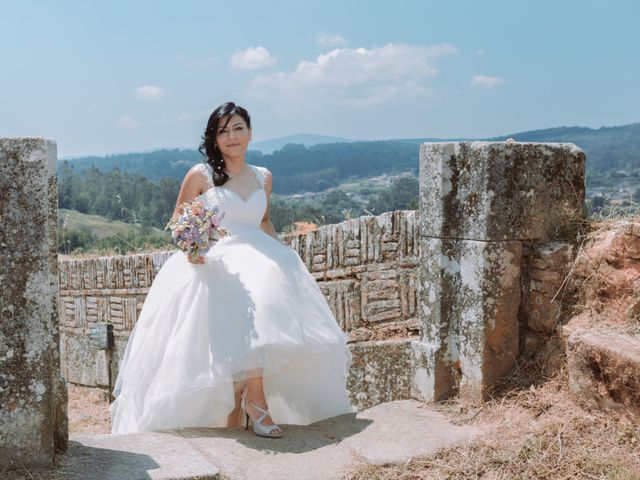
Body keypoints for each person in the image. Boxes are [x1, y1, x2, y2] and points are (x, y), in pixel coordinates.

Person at [109, 101, 354, 438]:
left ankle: (247, 400)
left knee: (267, 281)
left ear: (250, 133)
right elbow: (179, 221)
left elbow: (263, 220)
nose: (232, 136)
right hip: (216, 258)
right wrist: (192, 249)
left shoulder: (263, 176)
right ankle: (254, 402)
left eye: (238, 128)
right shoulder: (200, 175)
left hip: (259, 253)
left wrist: (285, 253)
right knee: (244, 291)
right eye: (223, 131)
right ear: (214, 138)